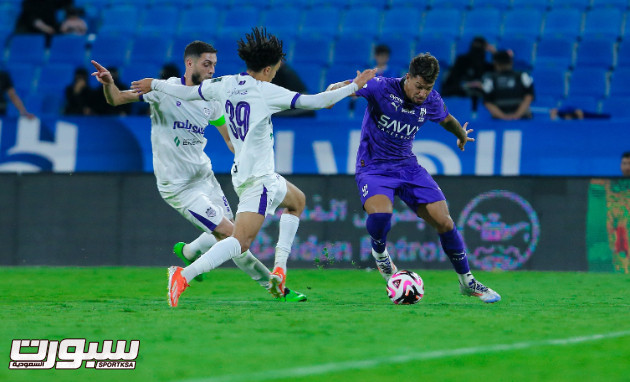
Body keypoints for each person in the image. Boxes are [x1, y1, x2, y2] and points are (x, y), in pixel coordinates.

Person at [131, 27, 376, 307]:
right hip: (257, 180)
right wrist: (355, 86)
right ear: (269, 68)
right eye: (276, 69)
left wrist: (156, 84)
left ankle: (279, 271)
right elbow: (316, 102)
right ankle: (184, 275)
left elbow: (187, 94)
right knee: (241, 241)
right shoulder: (266, 91)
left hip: (252, 174)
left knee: (297, 201)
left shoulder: (224, 83)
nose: (276, 74)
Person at [91, 40, 307, 305]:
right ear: (189, 63)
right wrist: (108, 83)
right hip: (179, 187)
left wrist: (248, 157)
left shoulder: (211, 98)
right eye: (207, 64)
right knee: (233, 237)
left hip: (205, 178)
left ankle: (191, 251)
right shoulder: (165, 90)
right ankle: (277, 290)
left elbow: (230, 139)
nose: (212, 70)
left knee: (231, 234)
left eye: (214, 65)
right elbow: (117, 99)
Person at [326, 53, 501, 303]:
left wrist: (461, 134)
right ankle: (380, 254)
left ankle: (467, 281)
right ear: (408, 78)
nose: (422, 93)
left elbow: (447, 119)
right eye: (419, 87)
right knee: (381, 216)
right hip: (374, 167)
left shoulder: (431, 100)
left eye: (427, 88)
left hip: (408, 167)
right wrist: (332, 93)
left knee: (445, 222)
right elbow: (344, 88)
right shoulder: (381, 87)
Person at [481, 50, 534, 120]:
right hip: (517, 119)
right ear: (511, 62)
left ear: (495, 63)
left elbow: (487, 102)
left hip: (506, 120)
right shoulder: (523, 75)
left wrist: (504, 117)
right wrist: (516, 116)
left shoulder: (489, 78)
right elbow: (529, 97)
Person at [441, 36, 495, 104]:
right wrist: (467, 85)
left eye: (480, 46)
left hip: (481, 95)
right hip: (462, 93)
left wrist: (494, 53)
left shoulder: (487, 66)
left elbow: (500, 70)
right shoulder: (461, 61)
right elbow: (453, 81)